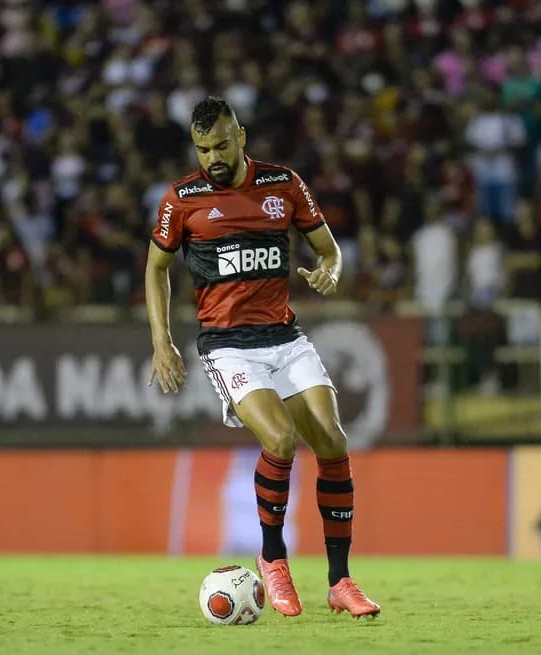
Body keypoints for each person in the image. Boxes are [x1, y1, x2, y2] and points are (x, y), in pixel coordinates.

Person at [145, 97, 380, 619]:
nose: (213, 157)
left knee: (333, 441)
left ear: (241, 136)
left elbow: (329, 249)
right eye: (203, 149)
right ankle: (273, 559)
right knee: (279, 437)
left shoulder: (283, 185)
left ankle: (340, 580)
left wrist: (331, 269)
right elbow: (156, 267)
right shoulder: (182, 200)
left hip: (285, 337)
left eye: (222, 145)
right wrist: (162, 340)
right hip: (229, 344)